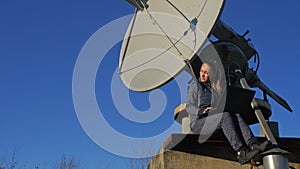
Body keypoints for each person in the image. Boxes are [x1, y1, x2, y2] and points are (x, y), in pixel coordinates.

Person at [186, 61, 269, 165]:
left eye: (206, 73)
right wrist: (202, 111)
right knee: (225, 116)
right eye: (202, 71)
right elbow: (188, 107)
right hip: (199, 124)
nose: (202, 75)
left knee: (236, 115)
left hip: (214, 121)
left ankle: (253, 144)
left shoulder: (214, 90)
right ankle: (241, 152)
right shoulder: (196, 86)